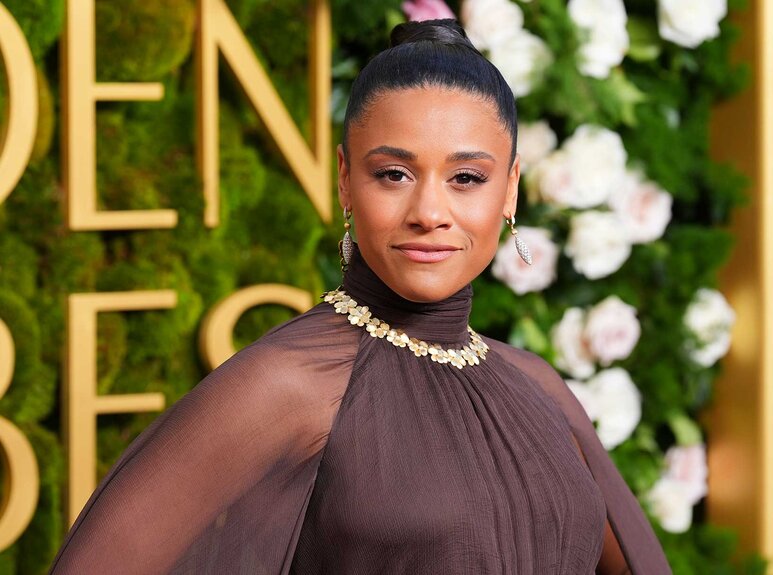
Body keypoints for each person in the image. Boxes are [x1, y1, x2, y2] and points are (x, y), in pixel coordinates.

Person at [49, 18, 671, 574]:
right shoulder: (287, 385)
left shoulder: (537, 387)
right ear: (346, 180)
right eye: (393, 174)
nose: (430, 212)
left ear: (509, 191)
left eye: (466, 178)